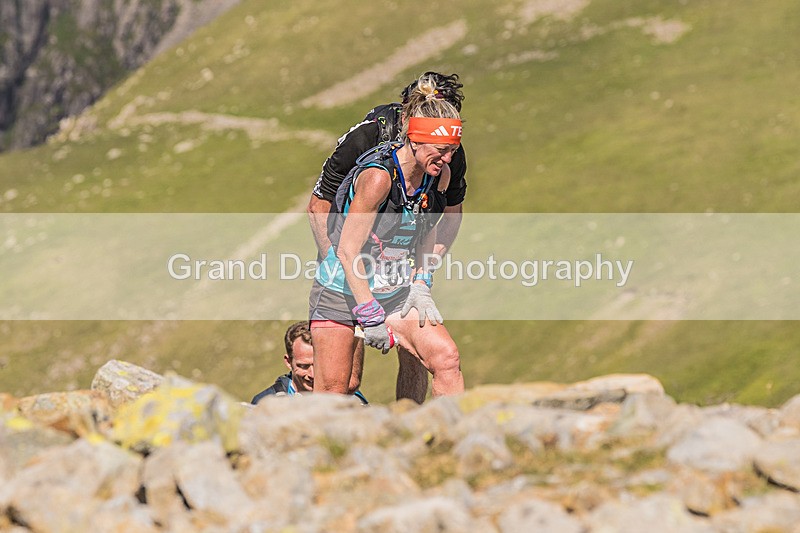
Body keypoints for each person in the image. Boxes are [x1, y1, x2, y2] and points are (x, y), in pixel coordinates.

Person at [307, 72, 467, 403]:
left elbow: (429, 226)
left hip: (396, 291)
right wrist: (367, 312)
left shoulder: (440, 173)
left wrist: (421, 282)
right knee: (335, 391)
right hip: (343, 291)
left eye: (452, 150)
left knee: (446, 359)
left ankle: (445, 443)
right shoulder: (378, 178)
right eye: (440, 150)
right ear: (416, 140)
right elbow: (348, 251)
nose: (448, 159)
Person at [251, 321, 368, 404]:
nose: (312, 374)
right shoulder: (265, 402)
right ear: (288, 362)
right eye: (304, 366)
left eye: (317, 365)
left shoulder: (350, 396)